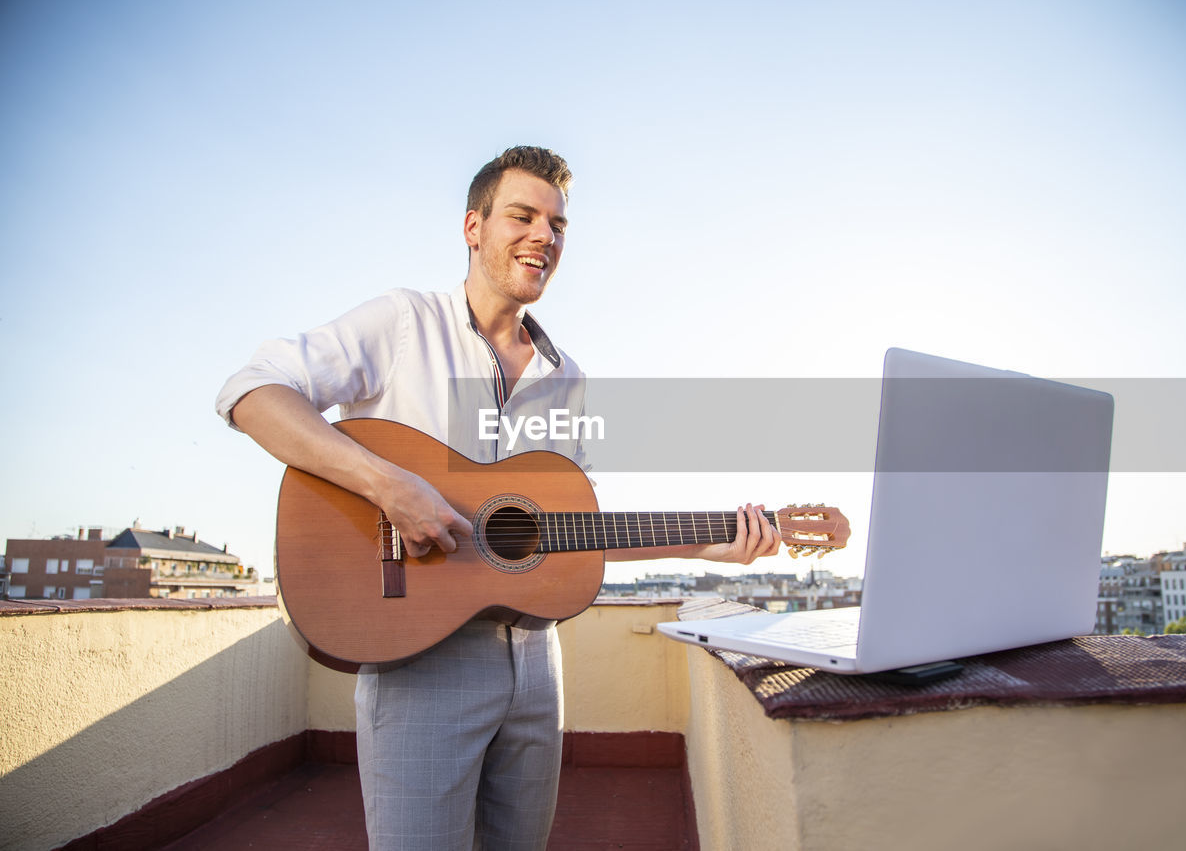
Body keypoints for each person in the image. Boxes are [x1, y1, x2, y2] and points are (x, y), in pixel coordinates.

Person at [215, 146, 779, 850]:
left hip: (537, 665)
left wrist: (712, 540)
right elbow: (251, 392)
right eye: (523, 215)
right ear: (472, 227)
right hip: (417, 659)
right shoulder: (404, 322)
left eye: (558, 224)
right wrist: (387, 484)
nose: (545, 235)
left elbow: (576, 527)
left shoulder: (567, 376)